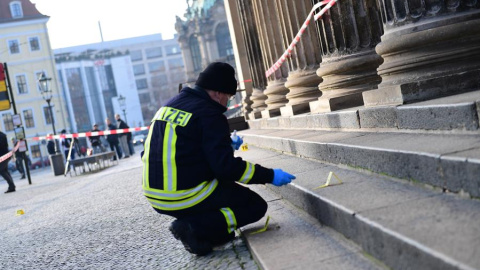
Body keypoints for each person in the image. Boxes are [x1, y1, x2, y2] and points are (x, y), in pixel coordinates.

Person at [141, 62, 296, 256]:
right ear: (218, 93)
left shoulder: (169, 106)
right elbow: (226, 168)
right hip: (185, 194)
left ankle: (212, 234)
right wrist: (270, 175)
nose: (228, 102)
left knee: (223, 193)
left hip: (154, 195)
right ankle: (193, 228)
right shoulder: (210, 114)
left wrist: (224, 145)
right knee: (254, 206)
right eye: (229, 97)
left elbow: (158, 151)